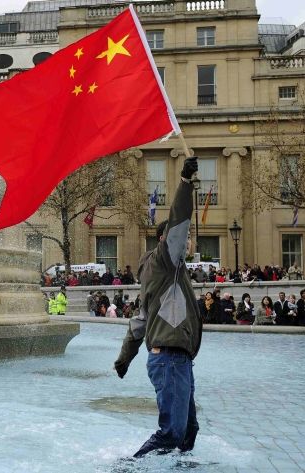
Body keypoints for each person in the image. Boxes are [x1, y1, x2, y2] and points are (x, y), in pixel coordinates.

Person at [113, 156, 201, 458]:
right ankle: (130, 466)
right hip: (171, 360)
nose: (188, 242)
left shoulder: (160, 274)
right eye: (186, 238)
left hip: (173, 360)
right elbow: (178, 221)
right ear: (167, 241)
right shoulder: (166, 260)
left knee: (189, 430)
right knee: (172, 432)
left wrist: (124, 359)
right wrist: (186, 183)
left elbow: (139, 323)